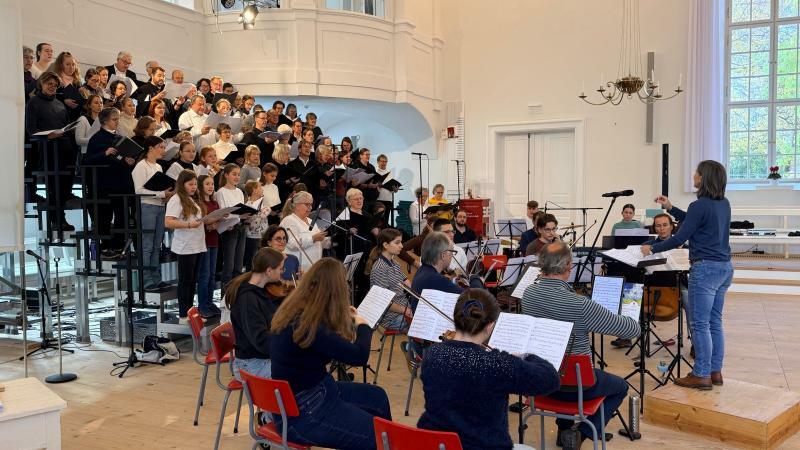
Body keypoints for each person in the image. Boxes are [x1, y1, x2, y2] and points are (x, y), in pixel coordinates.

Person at [522, 241, 639, 448]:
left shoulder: (528, 294)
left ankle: (563, 430)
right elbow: (631, 330)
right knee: (621, 387)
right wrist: (631, 313)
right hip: (575, 385)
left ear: (541, 266)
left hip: (540, 380)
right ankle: (580, 434)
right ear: (569, 267)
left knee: (559, 362)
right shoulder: (580, 304)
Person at [270, 258, 392, 449]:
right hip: (304, 413)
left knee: (378, 397)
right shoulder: (310, 326)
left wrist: (343, 317)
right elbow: (358, 356)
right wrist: (363, 325)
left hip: (312, 393)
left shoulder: (297, 308)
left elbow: (328, 342)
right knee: (380, 436)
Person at [417, 289, 560, 450]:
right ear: (490, 326)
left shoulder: (432, 354)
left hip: (437, 445)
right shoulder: (495, 364)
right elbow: (550, 379)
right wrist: (523, 356)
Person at [641, 160, 733, 390]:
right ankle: (715, 371)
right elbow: (694, 219)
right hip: (724, 268)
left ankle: (700, 374)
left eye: (696, 173)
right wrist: (671, 207)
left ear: (703, 178)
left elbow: (679, 238)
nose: (694, 175)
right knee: (714, 322)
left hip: (705, 269)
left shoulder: (699, 205)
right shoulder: (723, 203)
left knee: (699, 324)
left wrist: (651, 248)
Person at [25, 71, 79, 231]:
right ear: (41, 84)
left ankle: (60, 217)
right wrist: (49, 135)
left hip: (64, 150)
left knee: (65, 187)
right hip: (47, 152)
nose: (52, 87)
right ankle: (56, 219)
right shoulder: (33, 103)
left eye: (55, 85)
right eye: (49, 84)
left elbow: (65, 125)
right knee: (54, 188)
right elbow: (31, 130)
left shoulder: (59, 103)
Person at [227, 247, 285, 380]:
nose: (283, 272)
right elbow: (261, 341)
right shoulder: (247, 300)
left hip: (262, 358)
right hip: (252, 364)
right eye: (281, 269)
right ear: (269, 271)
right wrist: (287, 347)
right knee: (302, 376)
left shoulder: (263, 290)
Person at [84, 107, 136, 252]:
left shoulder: (120, 137)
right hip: (105, 184)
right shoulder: (97, 138)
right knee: (104, 216)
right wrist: (105, 153)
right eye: (114, 119)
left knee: (122, 215)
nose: (117, 122)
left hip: (121, 183)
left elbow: (122, 158)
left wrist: (129, 161)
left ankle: (119, 245)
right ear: (104, 121)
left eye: (118, 119)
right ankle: (106, 245)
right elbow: (88, 161)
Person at [165, 170, 209, 323]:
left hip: (197, 245)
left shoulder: (193, 199)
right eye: (190, 184)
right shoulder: (176, 199)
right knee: (185, 281)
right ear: (182, 184)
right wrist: (189, 224)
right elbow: (169, 222)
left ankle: (191, 313)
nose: (193, 187)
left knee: (192, 282)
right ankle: (184, 314)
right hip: (185, 246)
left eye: (195, 184)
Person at [132, 136, 174, 290]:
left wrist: (166, 194)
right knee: (147, 246)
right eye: (161, 147)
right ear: (150, 148)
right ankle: (146, 280)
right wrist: (161, 194)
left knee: (157, 245)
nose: (163, 150)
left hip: (159, 206)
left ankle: (156, 278)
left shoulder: (158, 167)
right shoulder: (141, 166)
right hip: (147, 207)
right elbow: (139, 190)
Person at [366, 228, 413, 330]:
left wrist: (421, 295)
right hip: (390, 317)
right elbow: (385, 302)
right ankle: (412, 345)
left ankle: (411, 345)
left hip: (404, 307)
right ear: (386, 245)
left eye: (401, 242)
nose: (401, 246)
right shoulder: (380, 268)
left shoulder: (394, 263)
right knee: (425, 325)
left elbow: (406, 281)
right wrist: (408, 311)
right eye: (397, 243)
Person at [215, 164, 250, 288]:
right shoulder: (221, 192)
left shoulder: (239, 191)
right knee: (229, 265)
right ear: (226, 175)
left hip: (240, 227)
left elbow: (240, 209)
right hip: (229, 229)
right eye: (234, 174)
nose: (237, 177)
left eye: (238, 174)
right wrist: (239, 216)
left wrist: (246, 214)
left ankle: (237, 294)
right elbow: (223, 213)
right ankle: (226, 297)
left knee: (239, 265)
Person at [279, 191, 328, 271]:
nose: (311, 208)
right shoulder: (289, 221)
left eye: (311, 205)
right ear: (297, 205)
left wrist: (328, 240)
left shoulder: (310, 221)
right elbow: (292, 244)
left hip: (313, 267)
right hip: (298, 268)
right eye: (307, 204)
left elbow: (319, 242)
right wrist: (313, 239)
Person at [197, 174, 223, 318]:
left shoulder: (215, 203)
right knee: (205, 275)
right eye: (207, 184)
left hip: (214, 240)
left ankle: (209, 303)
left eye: (212, 184)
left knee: (212, 275)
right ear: (201, 186)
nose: (211, 187)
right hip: (203, 242)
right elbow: (201, 221)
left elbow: (217, 220)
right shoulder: (200, 203)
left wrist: (216, 223)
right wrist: (211, 222)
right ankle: (202, 305)